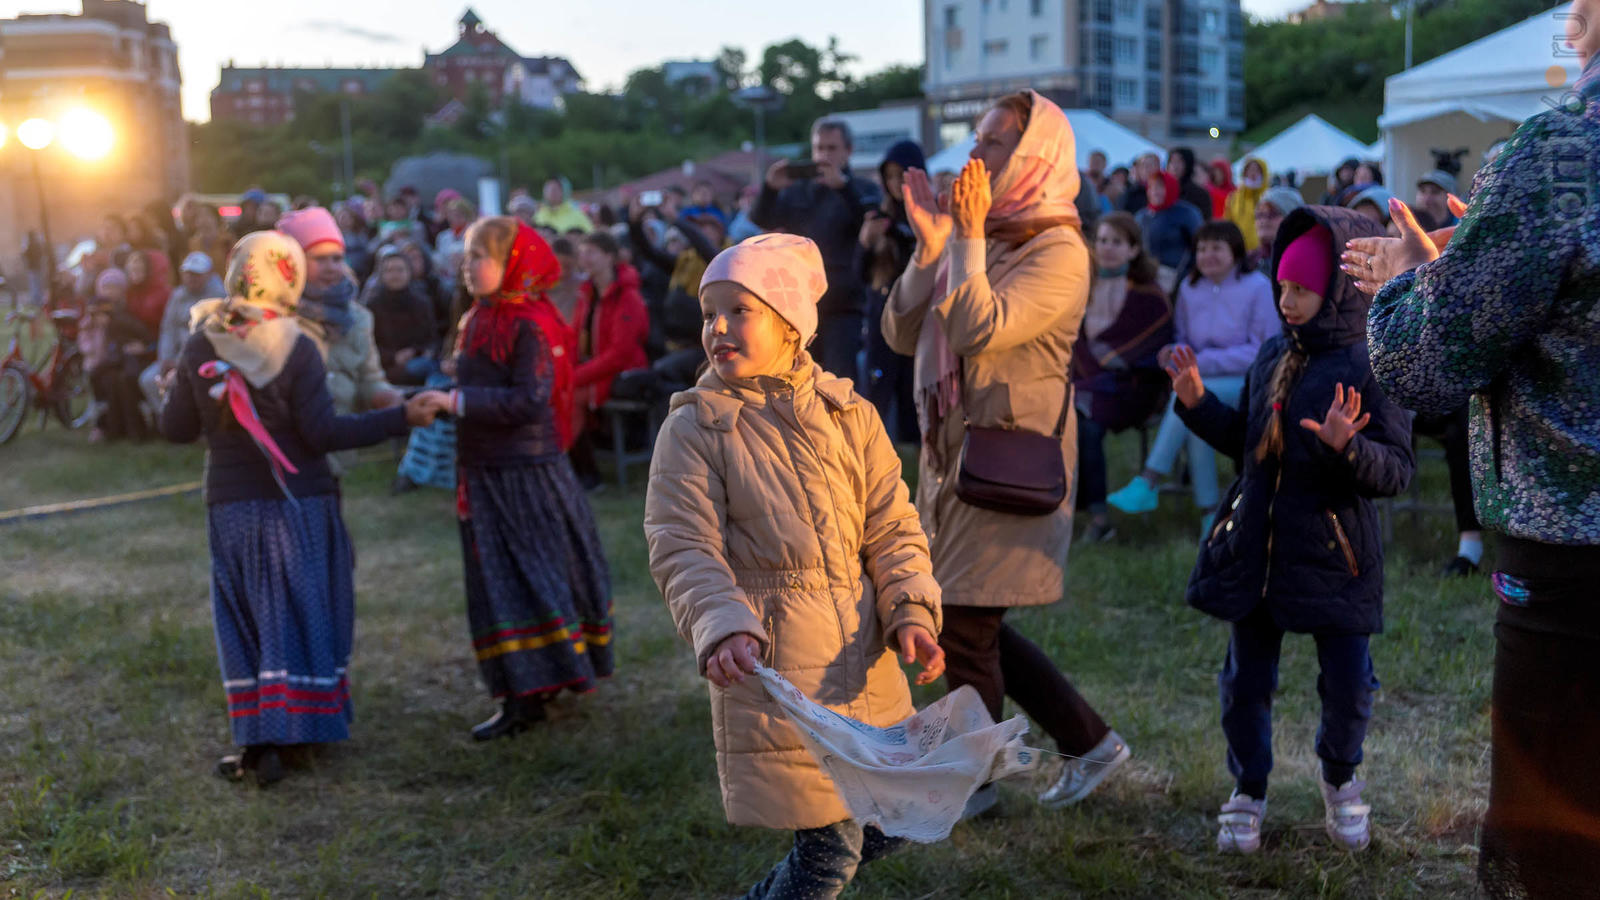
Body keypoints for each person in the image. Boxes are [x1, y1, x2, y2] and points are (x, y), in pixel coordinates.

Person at [1357, 16, 1600, 890]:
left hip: (1575, 552)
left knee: (1551, 841)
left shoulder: (1564, 152)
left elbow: (1428, 365)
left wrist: (1411, 282)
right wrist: (1484, 262)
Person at [645, 233, 945, 899]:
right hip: (784, 670)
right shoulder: (697, 429)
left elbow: (893, 527)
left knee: (893, 820)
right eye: (708, 314)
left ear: (789, 326)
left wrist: (911, 610)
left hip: (864, 662)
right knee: (828, 853)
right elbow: (682, 542)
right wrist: (722, 624)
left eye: (739, 311)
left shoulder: (850, 416)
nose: (717, 327)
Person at [883, 90, 1129, 812]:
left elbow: (974, 330)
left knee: (965, 621)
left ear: (1033, 158)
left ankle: (976, 784)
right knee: (974, 616)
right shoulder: (985, 232)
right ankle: (1091, 743)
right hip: (954, 454)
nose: (974, 155)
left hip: (1010, 458)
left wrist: (962, 239)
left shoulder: (1059, 251)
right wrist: (933, 247)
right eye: (977, 138)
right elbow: (902, 333)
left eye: (993, 143)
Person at [1169, 205, 1410, 854]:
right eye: (1281, 287)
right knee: (1246, 681)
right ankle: (1248, 788)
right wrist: (1196, 405)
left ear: (1336, 284)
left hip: (1337, 558)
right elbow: (1249, 446)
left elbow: (1397, 471)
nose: (1287, 300)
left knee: (1349, 686)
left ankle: (1341, 780)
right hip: (1262, 555)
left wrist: (1347, 449)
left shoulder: (1371, 362)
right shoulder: (1273, 353)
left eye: (1301, 288)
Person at [158, 230, 433, 786]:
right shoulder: (296, 344)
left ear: (237, 269)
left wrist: (174, 387)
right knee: (300, 613)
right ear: (289, 275)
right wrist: (401, 417)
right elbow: (323, 432)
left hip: (230, 506)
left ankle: (260, 742)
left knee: (247, 620)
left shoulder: (203, 339)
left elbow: (176, 429)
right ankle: (302, 732)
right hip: (297, 503)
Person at [414, 217, 613, 740]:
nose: (469, 264)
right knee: (500, 581)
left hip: (522, 475)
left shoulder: (530, 323)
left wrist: (456, 400)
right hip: (486, 469)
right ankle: (525, 688)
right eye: (467, 255)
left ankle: (531, 693)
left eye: (481, 254)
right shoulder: (481, 316)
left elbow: (531, 400)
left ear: (514, 264)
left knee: (525, 579)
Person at [1107, 221, 1277, 523]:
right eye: (1201, 248)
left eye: (1216, 248)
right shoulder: (1190, 288)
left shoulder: (1258, 288)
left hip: (1249, 383)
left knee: (1191, 398)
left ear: (1234, 252)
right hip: (1203, 381)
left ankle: (1150, 479)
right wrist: (1175, 352)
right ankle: (1210, 515)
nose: (1207, 255)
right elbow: (1184, 338)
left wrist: (1199, 361)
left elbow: (1260, 352)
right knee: (1195, 407)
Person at [752, 118, 881, 381]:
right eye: (819, 148)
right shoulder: (799, 190)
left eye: (831, 148)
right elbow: (762, 220)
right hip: (798, 302)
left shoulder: (862, 189)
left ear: (848, 151)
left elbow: (871, 222)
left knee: (837, 382)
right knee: (796, 381)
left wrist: (843, 187)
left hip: (844, 305)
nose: (823, 156)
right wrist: (770, 188)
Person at [1072, 212, 1175, 543]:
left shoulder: (1149, 294)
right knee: (1064, 415)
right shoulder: (1080, 286)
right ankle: (1067, 504)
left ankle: (1099, 518)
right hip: (1087, 383)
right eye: (1102, 240)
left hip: (1133, 387)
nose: (1107, 248)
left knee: (1086, 423)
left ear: (1133, 249)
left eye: (1116, 242)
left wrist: (1116, 363)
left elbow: (1153, 349)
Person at [276, 207, 401, 418]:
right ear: (294, 262)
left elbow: (369, 378)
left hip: (340, 441)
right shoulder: (278, 316)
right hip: (287, 440)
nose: (331, 268)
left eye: (337, 259)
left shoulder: (358, 317)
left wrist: (384, 395)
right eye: (320, 259)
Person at [857, 139, 925, 444]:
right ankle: (876, 451)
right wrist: (866, 243)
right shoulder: (877, 216)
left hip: (917, 319)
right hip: (880, 319)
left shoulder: (927, 216)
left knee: (914, 391)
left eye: (903, 175)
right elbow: (858, 273)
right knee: (877, 392)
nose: (897, 183)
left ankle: (913, 453)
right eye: (891, 176)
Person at [569, 230, 650, 486]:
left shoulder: (627, 296)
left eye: (591, 252)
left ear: (610, 257)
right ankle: (573, 468)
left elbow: (620, 354)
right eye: (582, 252)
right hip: (597, 369)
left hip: (623, 374)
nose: (585, 258)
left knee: (567, 398)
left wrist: (576, 375)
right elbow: (576, 336)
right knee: (555, 390)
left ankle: (588, 475)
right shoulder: (588, 295)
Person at [626, 196, 723, 359]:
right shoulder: (685, 260)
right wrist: (635, 223)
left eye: (707, 228)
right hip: (677, 341)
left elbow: (704, 246)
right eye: (699, 228)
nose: (702, 232)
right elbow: (649, 252)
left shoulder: (723, 260)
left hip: (706, 344)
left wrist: (675, 218)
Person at [139, 252, 223, 411]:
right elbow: (167, 330)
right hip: (175, 358)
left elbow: (204, 339)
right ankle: (168, 419)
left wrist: (177, 363)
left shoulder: (218, 297)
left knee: (186, 381)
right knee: (148, 379)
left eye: (197, 274)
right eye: (188, 273)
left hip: (203, 360)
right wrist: (165, 359)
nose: (191, 278)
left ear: (209, 274)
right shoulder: (177, 296)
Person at [82, 268, 153, 443]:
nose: (110, 292)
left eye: (115, 287)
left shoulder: (125, 310)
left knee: (121, 380)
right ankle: (108, 427)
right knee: (105, 378)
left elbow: (140, 333)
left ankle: (130, 429)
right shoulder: (95, 309)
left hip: (122, 358)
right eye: (106, 287)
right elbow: (86, 337)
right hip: (103, 359)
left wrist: (143, 347)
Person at [363, 246, 439, 385]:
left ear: (408, 272)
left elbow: (431, 339)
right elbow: (367, 344)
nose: (395, 275)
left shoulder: (422, 302)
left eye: (400, 270)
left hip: (417, 362)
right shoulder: (372, 305)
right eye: (389, 271)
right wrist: (393, 357)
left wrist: (414, 352)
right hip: (383, 366)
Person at [1137, 171, 1206, 289]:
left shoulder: (1187, 213)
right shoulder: (1141, 216)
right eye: (1151, 187)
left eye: (1160, 187)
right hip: (1146, 279)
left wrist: (1191, 273)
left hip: (1180, 280)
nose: (1155, 192)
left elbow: (1200, 244)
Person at [1246, 186, 1304, 271]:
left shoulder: (1304, 259)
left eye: (1272, 214)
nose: (1264, 221)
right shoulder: (1250, 260)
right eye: (1260, 214)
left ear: (1292, 219)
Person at [123, 248, 173, 336]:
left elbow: (169, 327)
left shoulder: (164, 294)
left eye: (139, 262)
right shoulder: (129, 292)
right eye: (132, 261)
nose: (134, 265)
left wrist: (148, 345)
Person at [1225, 157, 1270, 252]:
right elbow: (1228, 222)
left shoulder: (1270, 197)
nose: (1253, 173)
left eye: (1257, 170)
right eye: (1249, 170)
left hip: (1264, 250)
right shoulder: (1234, 197)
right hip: (1240, 249)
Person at [1166, 147, 1214, 220]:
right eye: (1172, 161)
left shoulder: (1200, 194)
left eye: (1179, 162)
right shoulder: (1161, 191)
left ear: (1188, 164)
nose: (1174, 166)